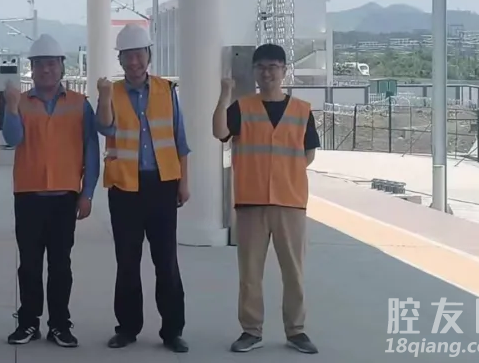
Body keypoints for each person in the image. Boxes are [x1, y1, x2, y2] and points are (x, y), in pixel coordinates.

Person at [212, 43, 320, 355]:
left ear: (284, 70)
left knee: (294, 273)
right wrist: (224, 95)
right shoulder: (242, 107)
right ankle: (251, 330)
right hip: (251, 202)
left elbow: (308, 153)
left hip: (290, 202)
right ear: (254, 72)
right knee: (250, 273)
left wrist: (285, 174)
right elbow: (219, 132)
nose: (267, 72)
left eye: (273, 66)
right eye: (261, 67)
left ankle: (296, 330)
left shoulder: (302, 110)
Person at [94, 23, 190, 353]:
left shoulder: (167, 90)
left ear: (148, 56)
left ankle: (172, 331)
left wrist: (184, 182)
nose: (134, 62)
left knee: (167, 261)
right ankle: (127, 328)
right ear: (120, 60)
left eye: (139, 55)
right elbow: (104, 126)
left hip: (162, 185)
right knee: (127, 261)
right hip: (125, 186)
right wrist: (104, 96)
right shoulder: (113, 92)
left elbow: (180, 140)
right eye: (127, 56)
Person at [1, 33, 99, 348]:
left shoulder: (80, 104)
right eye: (40, 64)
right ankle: (28, 322)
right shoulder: (21, 102)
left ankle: (59, 324)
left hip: (64, 197)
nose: (46, 69)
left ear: (61, 67)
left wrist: (87, 193)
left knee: (60, 265)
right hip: (28, 195)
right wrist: (11, 107)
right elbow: (12, 139)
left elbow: (91, 150)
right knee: (29, 264)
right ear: (31, 68)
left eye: (52, 64)